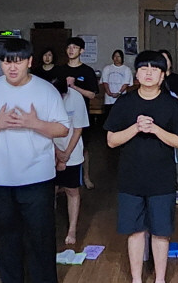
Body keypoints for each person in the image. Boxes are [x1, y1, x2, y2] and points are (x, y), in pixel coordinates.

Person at [0, 38, 70, 283]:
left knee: (41, 237)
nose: (12, 67)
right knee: (6, 237)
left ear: (29, 61)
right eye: (6, 62)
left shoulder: (46, 90)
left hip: (38, 178)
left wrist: (34, 123)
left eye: (18, 62)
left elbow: (63, 128)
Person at [105, 50, 178, 283]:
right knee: (135, 231)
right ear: (136, 74)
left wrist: (155, 129)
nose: (149, 73)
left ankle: (160, 279)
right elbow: (111, 140)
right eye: (144, 68)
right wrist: (136, 128)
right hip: (130, 178)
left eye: (155, 69)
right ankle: (136, 279)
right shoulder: (125, 102)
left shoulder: (171, 104)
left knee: (161, 232)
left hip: (162, 180)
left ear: (163, 75)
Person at [51, 77, 90, 245]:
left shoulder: (75, 97)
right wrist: (57, 152)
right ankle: (48, 226)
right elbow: (44, 129)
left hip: (72, 150)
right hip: (50, 150)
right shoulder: (44, 97)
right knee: (49, 190)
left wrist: (66, 154)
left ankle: (72, 229)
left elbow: (78, 129)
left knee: (71, 190)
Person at [56, 37, 99, 189]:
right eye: (69, 47)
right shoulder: (60, 70)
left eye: (75, 47)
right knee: (59, 145)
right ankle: (62, 181)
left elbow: (92, 94)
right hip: (61, 115)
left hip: (81, 116)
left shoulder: (87, 71)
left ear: (82, 51)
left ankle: (85, 176)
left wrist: (74, 87)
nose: (71, 50)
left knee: (83, 147)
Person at [159, 49, 178, 189]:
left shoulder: (177, 79)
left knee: (177, 151)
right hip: (157, 120)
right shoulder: (155, 79)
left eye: (166, 59)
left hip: (174, 119)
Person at [101, 49, 134, 118]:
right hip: (109, 99)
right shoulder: (107, 68)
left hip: (121, 98)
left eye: (118, 56)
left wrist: (119, 93)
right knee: (109, 115)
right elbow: (105, 82)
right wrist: (109, 92)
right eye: (115, 56)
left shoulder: (126, 69)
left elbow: (126, 83)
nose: (116, 58)